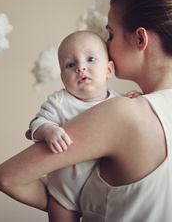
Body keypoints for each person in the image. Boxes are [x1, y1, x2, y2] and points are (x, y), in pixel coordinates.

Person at [0, 0, 172, 221]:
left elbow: (6, 178)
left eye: (111, 35)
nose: (107, 46)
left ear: (140, 39)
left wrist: (63, 202)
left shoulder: (123, 113)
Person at [27, 30, 131, 221]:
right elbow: (37, 125)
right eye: (71, 64)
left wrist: (136, 101)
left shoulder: (120, 102)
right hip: (63, 194)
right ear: (62, 78)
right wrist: (48, 130)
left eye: (90, 59)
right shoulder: (59, 101)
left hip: (102, 193)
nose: (80, 68)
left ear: (109, 69)